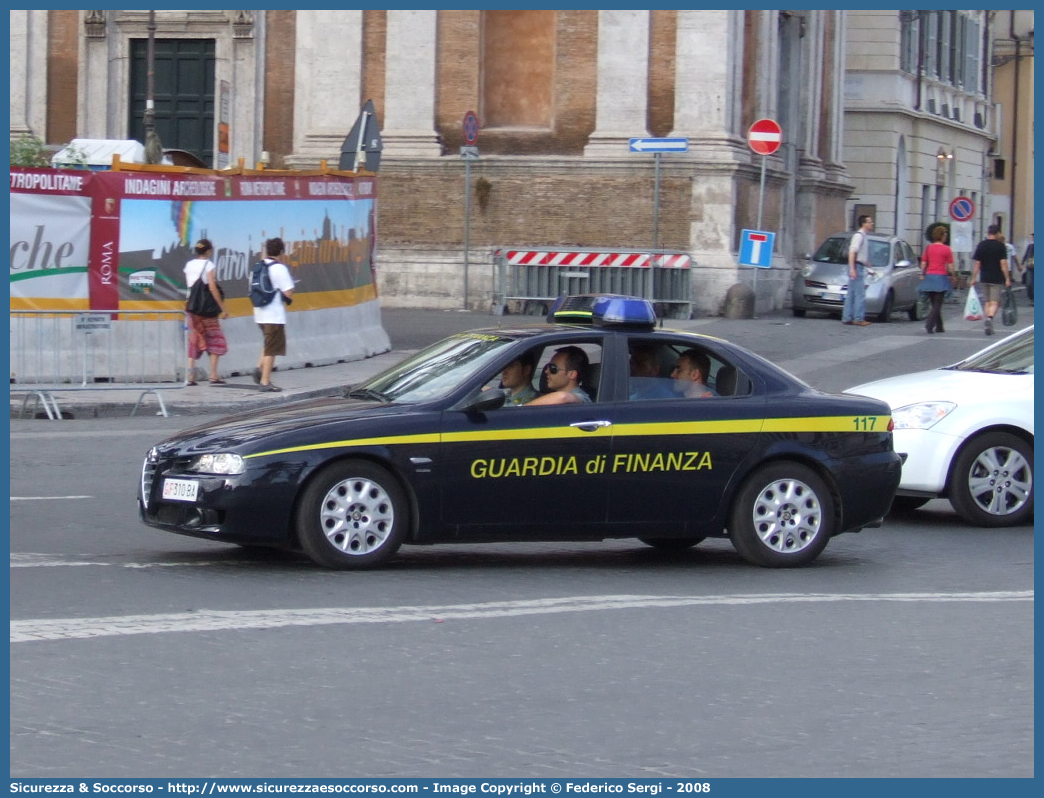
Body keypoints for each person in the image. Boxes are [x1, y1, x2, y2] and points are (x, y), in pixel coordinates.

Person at [183, 238, 229, 385]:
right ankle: (213, 375)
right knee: (216, 340)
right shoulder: (209, 265)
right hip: (207, 311)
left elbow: (190, 287)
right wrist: (223, 308)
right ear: (208, 251)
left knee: (194, 341)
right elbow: (212, 288)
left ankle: (191, 377)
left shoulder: (189, 265)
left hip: (192, 309)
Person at [252, 237, 295, 391]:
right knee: (272, 348)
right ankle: (265, 381)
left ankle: (258, 368)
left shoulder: (258, 266)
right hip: (274, 315)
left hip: (259, 313)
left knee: (268, 342)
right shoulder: (280, 268)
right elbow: (288, 292)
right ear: (281, 252)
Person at [970, 224, 1012, 336]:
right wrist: (1007, 278)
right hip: (996, 278)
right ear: (997, 233)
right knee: (994, 302)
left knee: (987, 302)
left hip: (984, 277)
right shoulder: (1000, 246)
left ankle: (987, 321)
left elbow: (977, 264)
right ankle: (989, 318)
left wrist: (973, 278)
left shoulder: (981, 245)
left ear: (988, 233)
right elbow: (1003, 264)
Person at [918, 225, 954, 334]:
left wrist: (922, 273)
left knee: (934, 303)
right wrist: (953, 275)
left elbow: (924, 262)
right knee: (938, 303)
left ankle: (940, 326)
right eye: (945, 234)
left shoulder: (929, 248)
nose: (946, 237)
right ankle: (930, 324)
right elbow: (950, 266)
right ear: (942, 236)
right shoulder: (947, 249)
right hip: (940, 277)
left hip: (929, 276)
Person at [526, 346, 591, 405]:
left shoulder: (582, 398)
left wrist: (522, 408)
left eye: (553, 368)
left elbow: (563, 397)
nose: (546, 371)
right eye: (548, 367)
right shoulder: (549, 399)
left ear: (572, 374)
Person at [842, 214, 874, 326]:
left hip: (859, 265)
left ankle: (847, 317)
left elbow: (861, 255)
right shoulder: (859, 236)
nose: (871, 223)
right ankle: (858, 318)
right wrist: (853, 269)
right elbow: (852, 252)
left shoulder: (863, 236)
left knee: (851, 293)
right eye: (869, 222)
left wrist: (868, 265)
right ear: (863, 224)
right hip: (857, 266)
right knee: (859, 294)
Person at [1021, 232, 1033, 306]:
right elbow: (1026, 255)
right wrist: (1022, 263)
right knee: (1029, 284)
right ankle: (1031, 298)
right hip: (1030, 267)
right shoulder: (1030, 246)